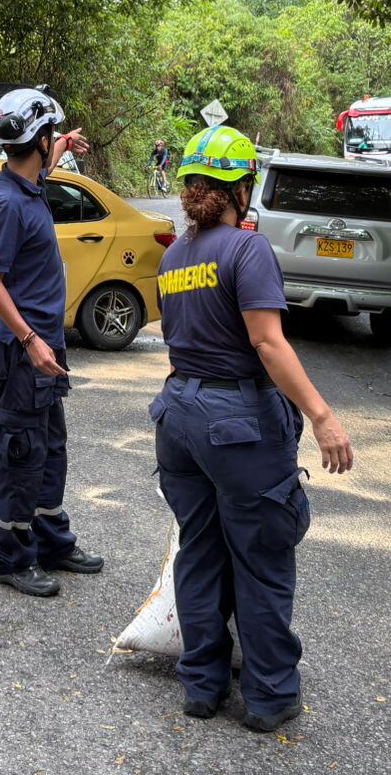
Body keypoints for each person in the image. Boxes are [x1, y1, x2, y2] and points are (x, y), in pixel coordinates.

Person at [148, 125, 354, 732]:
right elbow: (267, 342)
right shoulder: (246, 250)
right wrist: (322, 415)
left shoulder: (174, 256)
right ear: (244, 185)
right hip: (235, 422)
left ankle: (203, 684)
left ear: (190, 187)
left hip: (178, 417)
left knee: (201, 549)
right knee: (262, 555)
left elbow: (178, 341)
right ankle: (268, 698)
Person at [0, 88, 100, 597]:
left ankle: (50, 540)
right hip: (22, 351)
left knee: (50, 448)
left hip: (45, 349)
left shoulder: (29, 183)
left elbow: (44, 159)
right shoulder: (6, 203)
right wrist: (30, 340)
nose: (56, 148)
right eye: (52, 140)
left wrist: (64, 142)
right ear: (38, 141)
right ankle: (11, 557)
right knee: (19, 453)